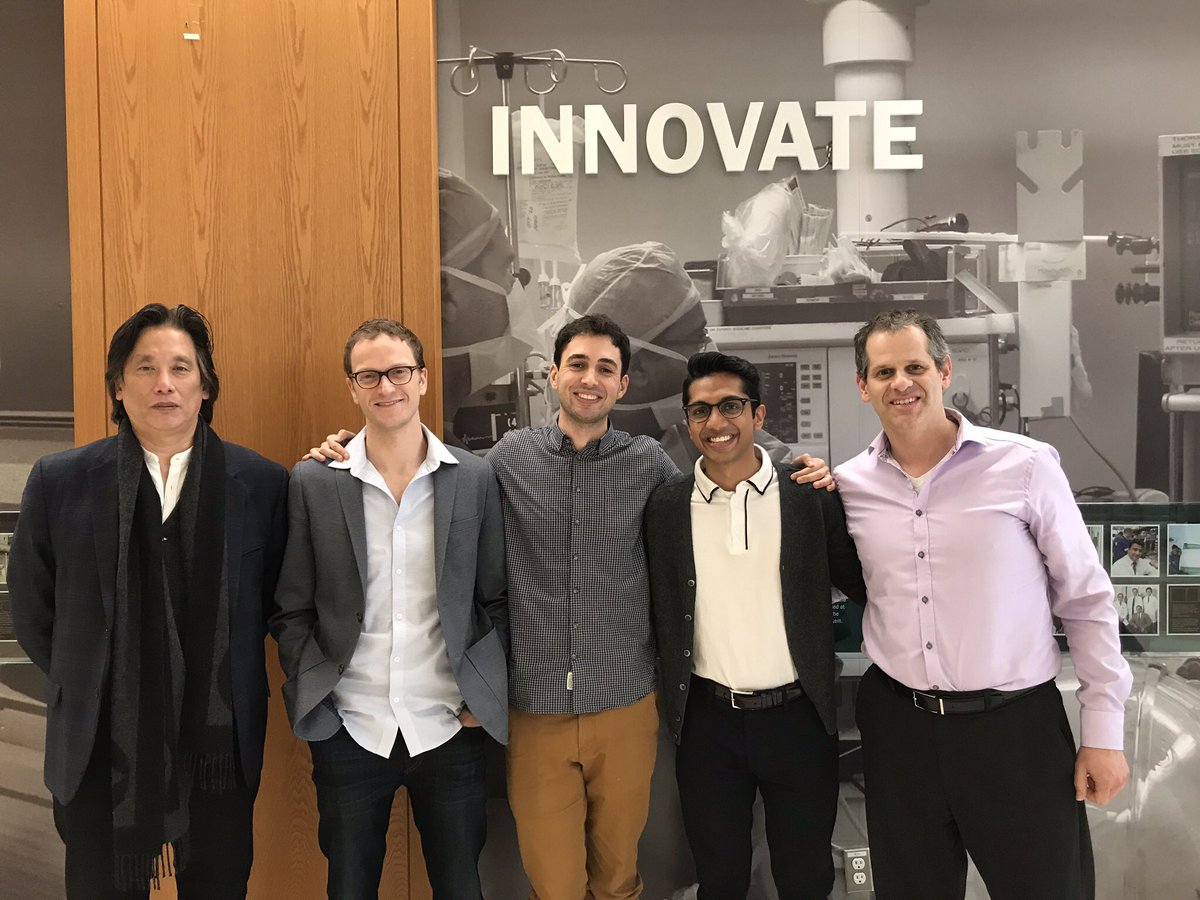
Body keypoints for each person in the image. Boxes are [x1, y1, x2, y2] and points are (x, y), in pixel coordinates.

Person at [309, 313, 833, 898]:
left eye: (606, 368)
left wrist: (802, 468)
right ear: (553, 374)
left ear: (622, 384)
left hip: (625, 704)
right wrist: (350, 449)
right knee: (554, 884)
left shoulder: (648, 465)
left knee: (619, 880)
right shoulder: (506, 460)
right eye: (578, 364)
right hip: (535, 709)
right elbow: (433, 476)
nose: (590, 379)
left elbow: (720, 481)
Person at [835, 309, 1131, 900]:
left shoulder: (1025, 465)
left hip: (1015, 731)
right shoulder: (848, 486)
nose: (901, 382)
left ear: (944, 371)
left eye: (915, 367)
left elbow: (1086, 599)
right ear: (863, 387)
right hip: (901, 730)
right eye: (884, 371)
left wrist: (1103, 733)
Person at [8, 304, 289, 898]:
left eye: (181, 368)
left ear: (205, 386)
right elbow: (33, 608)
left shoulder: (262, 484)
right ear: (118, 385)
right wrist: (91, 678)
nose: (164, 383)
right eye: (145, 367)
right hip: (96, 739)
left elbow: (275, 601)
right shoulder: (60, 480)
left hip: (217, 742)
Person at [271, 319, 508, 899]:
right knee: (349, 888)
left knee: (461, 887)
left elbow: (496, 599)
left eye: (399, 372)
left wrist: (481, 698)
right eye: (369, 375)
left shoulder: (474, 478)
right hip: (350, 727)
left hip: (449, 726)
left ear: (422, 379)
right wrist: (319, 699)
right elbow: (291, 607)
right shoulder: (314, 481)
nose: (386, 386)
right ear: (352, 388)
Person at [645, 351, 867, 899]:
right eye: (700, 411)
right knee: (719, 878)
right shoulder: (667, 507)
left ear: (758, 415)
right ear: (687, 422)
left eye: (730, 406)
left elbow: (866, 585)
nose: (715, 422)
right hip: (707, 723)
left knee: (805, 876)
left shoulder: (808, 495)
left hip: (799, 717)